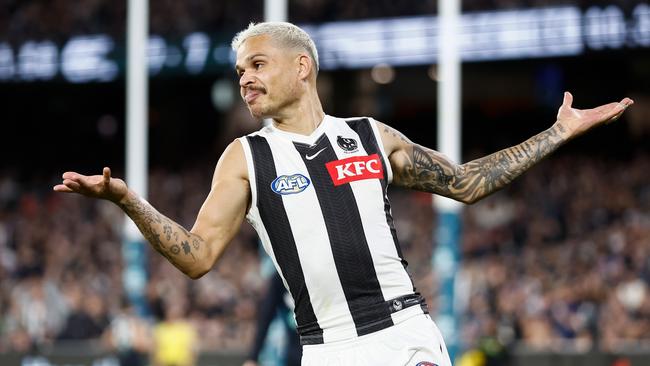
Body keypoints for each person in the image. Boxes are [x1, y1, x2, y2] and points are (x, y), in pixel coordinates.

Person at [54, 22, 633, 366]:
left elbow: (466, 184)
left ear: (301, 67)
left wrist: (558, 131)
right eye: (239, 72)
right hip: (327, 350)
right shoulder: (246, 156)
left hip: (405, 335)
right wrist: (127, 200)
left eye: (257, 64)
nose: (245, 79)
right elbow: (198, 256)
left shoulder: (371, 137)